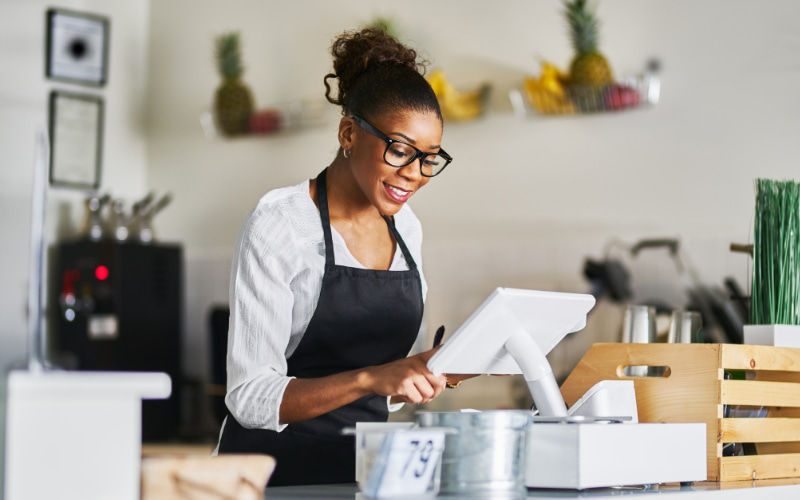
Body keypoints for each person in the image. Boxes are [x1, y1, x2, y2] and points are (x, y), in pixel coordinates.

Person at [215, 27, 466, 486]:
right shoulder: (280, 224)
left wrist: (420, 372)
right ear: (349, 132)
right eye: (400, 150)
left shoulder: (407, 230)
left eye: (430, 158)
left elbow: (384, 386)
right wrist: (372, 378)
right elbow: (249, 397)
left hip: (361, 478)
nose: (415, 175)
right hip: (269, 479)